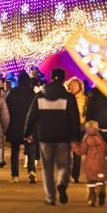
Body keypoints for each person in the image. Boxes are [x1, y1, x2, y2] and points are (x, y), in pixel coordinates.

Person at [24, 67, 80, 205]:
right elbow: (75, 118)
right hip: (63, 137)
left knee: (47, 169)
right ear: (63, 79)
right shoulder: (69, 97)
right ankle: (61, 183)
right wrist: (76, 136)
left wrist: (27, 132)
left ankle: (50, 197)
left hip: (45, 136)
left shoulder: (40, 96)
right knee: (64, 165)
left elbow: (31, 116)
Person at [5, 71, 37, 184]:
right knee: (31, 148)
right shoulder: (33, 94)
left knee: (15, 150)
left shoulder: (12, 93)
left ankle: (15, 175)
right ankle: (31, 171)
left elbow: (6, 108)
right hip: (29, 126)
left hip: (15, 125)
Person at [73, 120, 107, 206]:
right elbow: (106, 149)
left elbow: (81, 151)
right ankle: (101, 192)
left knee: (91, 183)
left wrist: (75, 146)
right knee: (100, 181)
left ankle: (92, 198)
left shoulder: (86, 140)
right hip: (101, 166)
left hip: (90, 166)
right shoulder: (100, 139)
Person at [66, 77, 88, 183]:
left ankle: (75, 175)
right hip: (66, 128)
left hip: (79, 128)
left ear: (79, 87)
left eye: (75, 85)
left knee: (77, 153)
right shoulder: (65, 97)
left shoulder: (84, 99)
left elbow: (87, 113)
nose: (73, 87)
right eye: (71, 85)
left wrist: (83, 120)